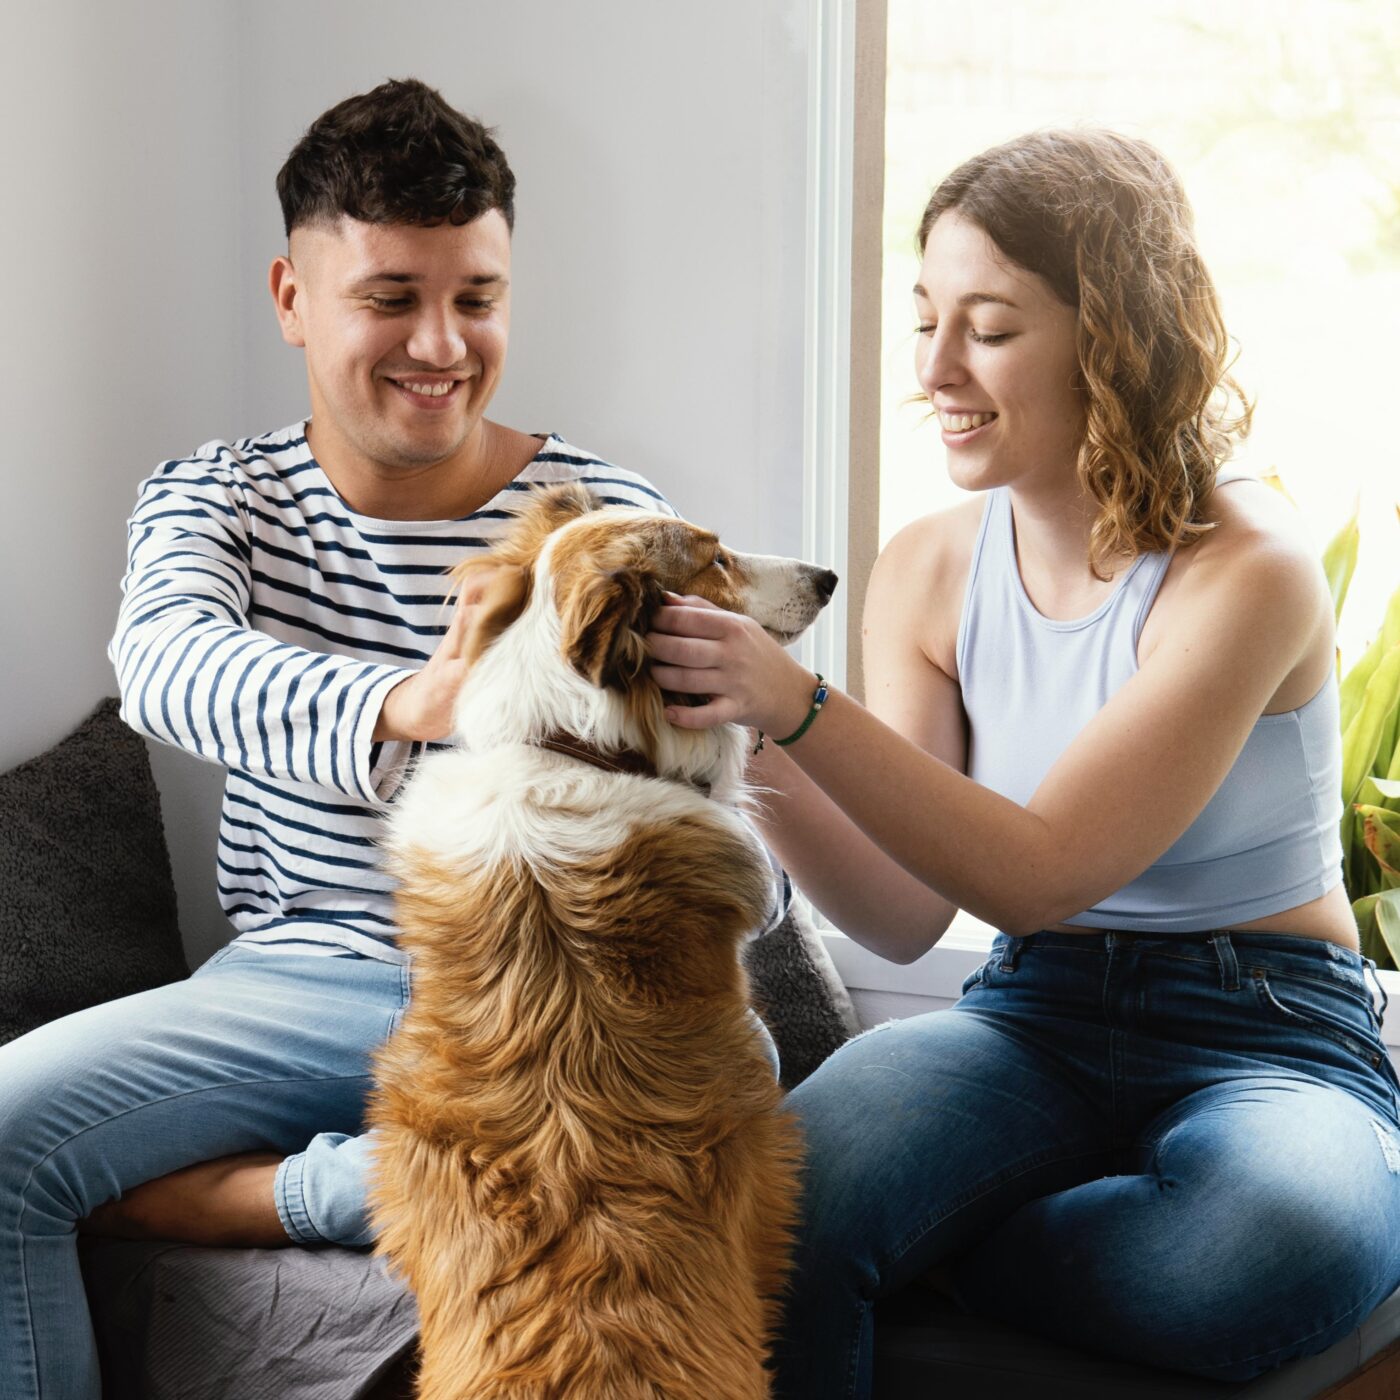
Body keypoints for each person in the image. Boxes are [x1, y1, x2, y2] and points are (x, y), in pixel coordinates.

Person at [649, 128, 1400, 1396]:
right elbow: (901, 911)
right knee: (763, 1208)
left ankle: (953, 1249)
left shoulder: (1246, 568)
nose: (933, 368)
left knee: (1270, 1247)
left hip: (1265, 1023)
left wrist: (799, 697)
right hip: (1031, 1011)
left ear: (1114, 337)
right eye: (924, 320)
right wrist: (742, 724)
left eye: (987, 328)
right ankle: (939, 1236)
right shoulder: (929, 565)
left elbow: (1039, 870)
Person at [0, 77, 717, 1400]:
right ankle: (372, 1182)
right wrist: (412, 705)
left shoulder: (605, 518)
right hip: (299, 982)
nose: (440, 344)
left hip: (537, 991)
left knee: (723, 1080)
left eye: (476, 299)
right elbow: (164, 665)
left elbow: (709, 815)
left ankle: (315, 1188)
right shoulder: (218, 495)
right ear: (292, 298)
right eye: (391, 298)